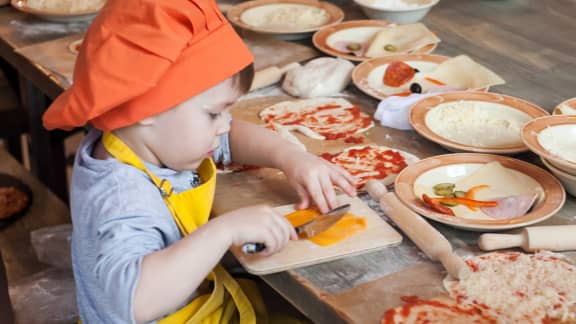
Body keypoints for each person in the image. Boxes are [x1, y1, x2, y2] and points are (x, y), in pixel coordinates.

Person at [42, 0, 357, 323]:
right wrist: (224, 231)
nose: (223, 125)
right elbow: (131, 302)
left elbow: (230, 137)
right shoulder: (121, 196)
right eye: (213, 113)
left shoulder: (144, 139)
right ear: (146, 109)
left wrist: (290, 157)